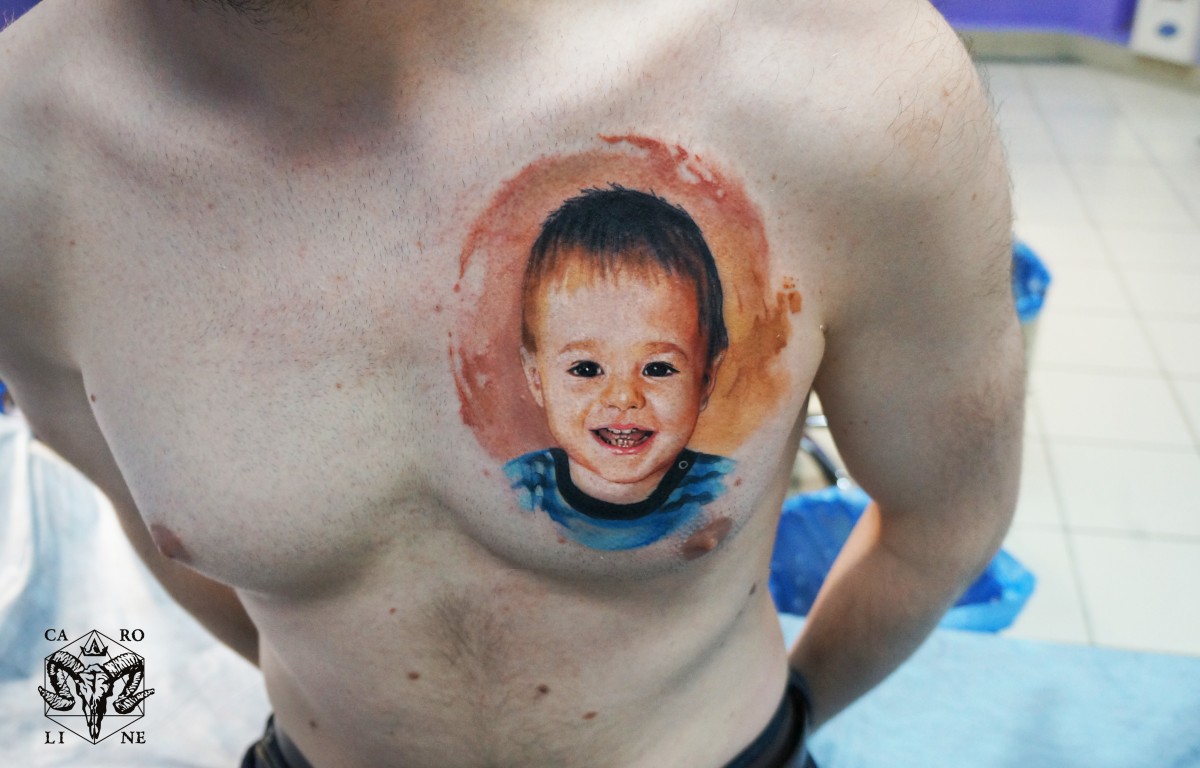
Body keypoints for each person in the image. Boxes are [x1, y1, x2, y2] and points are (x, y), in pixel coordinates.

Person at [0, 1, 1024, 766]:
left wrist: (790, 723)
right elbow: (170, 541)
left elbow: (944, 523)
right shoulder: (23, 157)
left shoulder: (835, 76)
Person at [506, 186, 735, 552]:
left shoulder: (727, 492)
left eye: (658, 368)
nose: (623, 397)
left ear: (706, 378)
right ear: (536, 378)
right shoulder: (515, 490)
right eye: (586, 369)